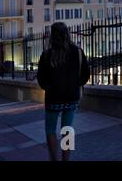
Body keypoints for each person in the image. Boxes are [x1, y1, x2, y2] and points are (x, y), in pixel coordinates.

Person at [37, 22, 90, 161]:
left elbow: (41, 79)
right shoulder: (77, 51)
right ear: (67, 34)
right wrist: (74, 84)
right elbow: (85, 75)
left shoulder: (47, 54)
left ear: (52, 36)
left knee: (50, 129)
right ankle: (66, 159)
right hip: (71, 97)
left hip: (53, 97)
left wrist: (49, 87)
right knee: (67, 130)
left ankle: (54, 159)